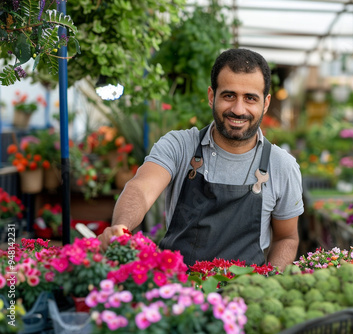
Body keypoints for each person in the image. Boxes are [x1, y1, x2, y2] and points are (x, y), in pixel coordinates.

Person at [98, 48, 304, 271]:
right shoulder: (179, 146)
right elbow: (140, 189)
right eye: (229, 95)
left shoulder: (282, 166)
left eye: (250, 98)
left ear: (265, 103)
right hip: (178, 291)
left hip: (244, 298)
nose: (238, 109)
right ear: (211, 96)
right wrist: (121, 225)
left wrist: (269, 283)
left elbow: (287, 238)